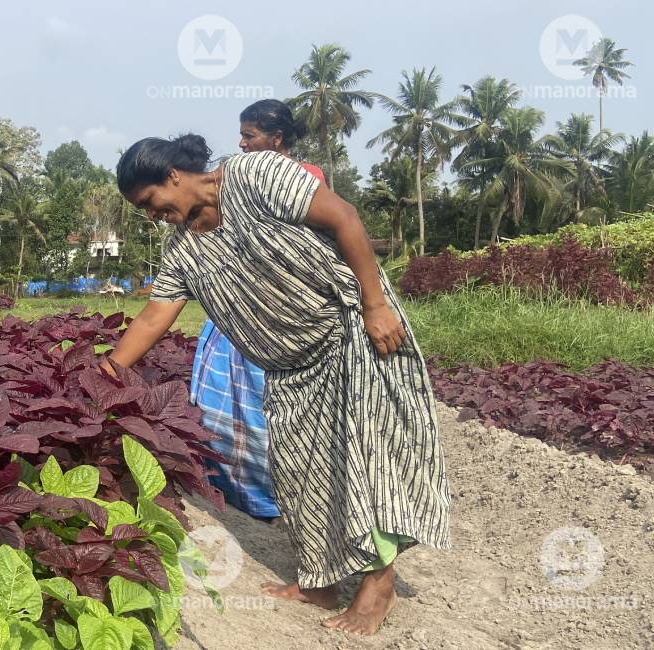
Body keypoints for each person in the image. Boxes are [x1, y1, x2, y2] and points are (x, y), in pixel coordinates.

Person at [105, 134, 450, 636]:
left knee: (361, 458)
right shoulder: (183, 250)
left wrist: (375, 304)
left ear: (172, 177)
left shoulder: (256, 175)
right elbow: (154, 317)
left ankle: (379, 587)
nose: (150, 215)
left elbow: (345, 218)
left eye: (149, 202)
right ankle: (320, 580)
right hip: (290, 368)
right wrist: (106, 375)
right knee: (301, 474)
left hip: (348, 331)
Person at [191, 99, 326, 524]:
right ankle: (234, 489)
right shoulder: (232, 173)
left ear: (277, 139)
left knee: (266, 405)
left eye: (249, 136)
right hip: (237, 301)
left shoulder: (307, 178)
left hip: (282, 306)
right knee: (222, 399)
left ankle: (278, 496)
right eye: (242, 135)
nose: (242, 143)